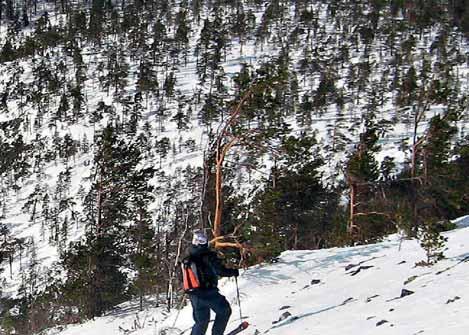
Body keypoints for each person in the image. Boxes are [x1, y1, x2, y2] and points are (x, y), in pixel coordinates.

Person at [184, 230, 239, 335]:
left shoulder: (187, 255)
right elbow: (220, 271)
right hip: (208, 292)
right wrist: (233, 272)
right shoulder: (208, 255)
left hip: (194, 294)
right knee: (225, 311)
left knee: (201, 322)